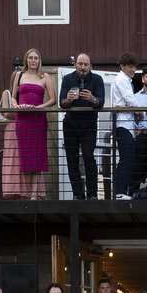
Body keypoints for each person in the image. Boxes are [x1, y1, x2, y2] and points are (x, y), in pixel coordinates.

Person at [10, 48, 56, 200]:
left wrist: (38, 107)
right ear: (26, 60)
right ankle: (29, 192)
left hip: (38, 119)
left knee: (36, 155)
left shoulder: (45, 76)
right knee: (25, 155)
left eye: (36, 58)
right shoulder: (19, 75)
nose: (33, 60)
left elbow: (52, 100)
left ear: (39, 60)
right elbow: (13, 97)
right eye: (30, 58)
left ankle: (34, 194)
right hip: (22, 120)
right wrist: (17, 107)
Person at [59, 52, 104, 200]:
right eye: (80, 64)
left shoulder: (97, 79)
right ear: (75, 65)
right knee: (72, 160)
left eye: (86, 64)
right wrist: (68, 100)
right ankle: (78, 195)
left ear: (90, 66)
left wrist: (93, 99)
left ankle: (92, 194)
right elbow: (62, 103)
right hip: (70, 124)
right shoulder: (67, 79)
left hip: (89, 124)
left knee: (88, 156)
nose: (83, 67)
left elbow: (101, 102)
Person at [108, 53, 140, 199]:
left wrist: (134, 122)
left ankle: (121, 192)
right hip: (122, 124)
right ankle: (120, 193)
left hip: (126, 124)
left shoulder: (125, 79)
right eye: (130, 66)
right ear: (122, 66)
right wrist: (142, 112)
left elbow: (127, 102)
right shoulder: (121, 79)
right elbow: (130, 100)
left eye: (134, 67)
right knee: (126, 159)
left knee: (128, 158)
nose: (133, 70)